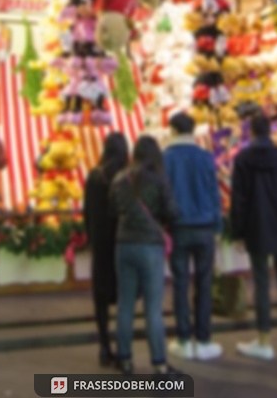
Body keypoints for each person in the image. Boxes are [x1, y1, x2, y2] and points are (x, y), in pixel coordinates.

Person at [230, 110, 277, 360]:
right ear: (270, 131)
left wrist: (237, 231)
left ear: (250, 132)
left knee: (261, 283)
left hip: (256, 225)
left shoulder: (243, 159)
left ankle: (264, 339)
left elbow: (238, 199)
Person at [110, 135, 178, 375]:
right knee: (152, 307)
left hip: (124, 244)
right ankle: (159, 363)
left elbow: (113, 207)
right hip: (150, 245)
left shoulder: (119, 179)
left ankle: (125, 359)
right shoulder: (158, 178)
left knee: (125, 304)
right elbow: (171, 210)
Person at [163, 111, 223, 361]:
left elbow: (163, 195)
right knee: (204, 282)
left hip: (178, 228)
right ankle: (205, 338)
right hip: (205, 226)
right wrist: (218, 227)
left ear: (173, 131)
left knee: (180, 283)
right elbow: (214, 193)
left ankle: (184, 337)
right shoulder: (205, 157)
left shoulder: (165, 158)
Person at [83, 132, 129, 367]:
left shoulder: (94, 176)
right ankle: (123, 350)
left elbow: (87, 211)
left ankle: (104, 346)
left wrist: (90, 235)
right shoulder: (127, 176)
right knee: (124, 297)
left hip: (101, 241)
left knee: (101, 298)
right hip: (123, 239)